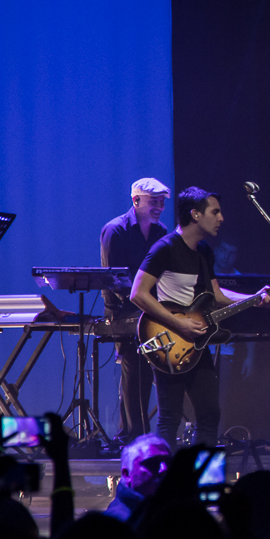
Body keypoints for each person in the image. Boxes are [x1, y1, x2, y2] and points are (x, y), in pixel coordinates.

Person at [129, 187, 270, 448]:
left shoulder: (204, 251)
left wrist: (254, 299)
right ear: (195, 214)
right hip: (168, 341)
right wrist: (178, 323)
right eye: (215, 212)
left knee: (209, 415)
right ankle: (164, 484)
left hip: (197, 343)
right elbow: (138, 294)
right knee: (169, 417)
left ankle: (203, 483)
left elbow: (216, 295)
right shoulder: (165, 248)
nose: (221, 218)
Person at [100, 177, 170, 444]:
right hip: (123, 310)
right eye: (154, 202)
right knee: (134, 364)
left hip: (151, 309)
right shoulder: (115, 230)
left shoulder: (160, 231)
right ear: (136, 200)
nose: (159, 207)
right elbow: (112, 278)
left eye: (162, 203)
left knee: (146, 369)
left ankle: (129, 433)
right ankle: (136, 435)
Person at [104, 433, 172, 521]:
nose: (164, 469)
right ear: (127, 474)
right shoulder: (116, 523)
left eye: (169, 462)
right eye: (152, 463)